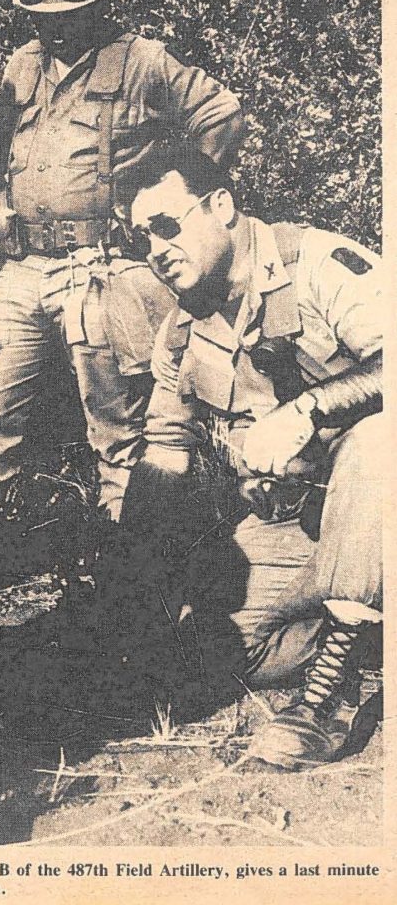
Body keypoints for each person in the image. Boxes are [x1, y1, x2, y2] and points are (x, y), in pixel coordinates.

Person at [0, 0, 244, 523]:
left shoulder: (142, 61)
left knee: (118, 425)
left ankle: (129, 547)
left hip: (104, 270)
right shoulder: (20, 65)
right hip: (25, 268)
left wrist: (168, 207)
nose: (52, 13)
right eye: (39, 3)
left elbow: (222, 116)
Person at [123, 146, 382, 769]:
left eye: (167, 224)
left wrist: (307, 410)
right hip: (299, 522)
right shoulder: (182, 328)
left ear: (222, 207)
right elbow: (164, 453)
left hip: (380, 493)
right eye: (141, 238)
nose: (156, 248)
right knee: (226, 650)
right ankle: (366, 630)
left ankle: (326, 703)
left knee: (381, 440)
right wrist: (129, 586)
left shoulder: (318, 263)